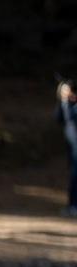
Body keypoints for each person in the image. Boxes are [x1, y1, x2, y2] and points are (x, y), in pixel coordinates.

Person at [58, 81, 77, 218]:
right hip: (72, 149)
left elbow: (71, 117)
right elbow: (58, 118)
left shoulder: (74, 107)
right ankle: (72, 205)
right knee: (73, 176)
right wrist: (63, 103)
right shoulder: (65, 106)